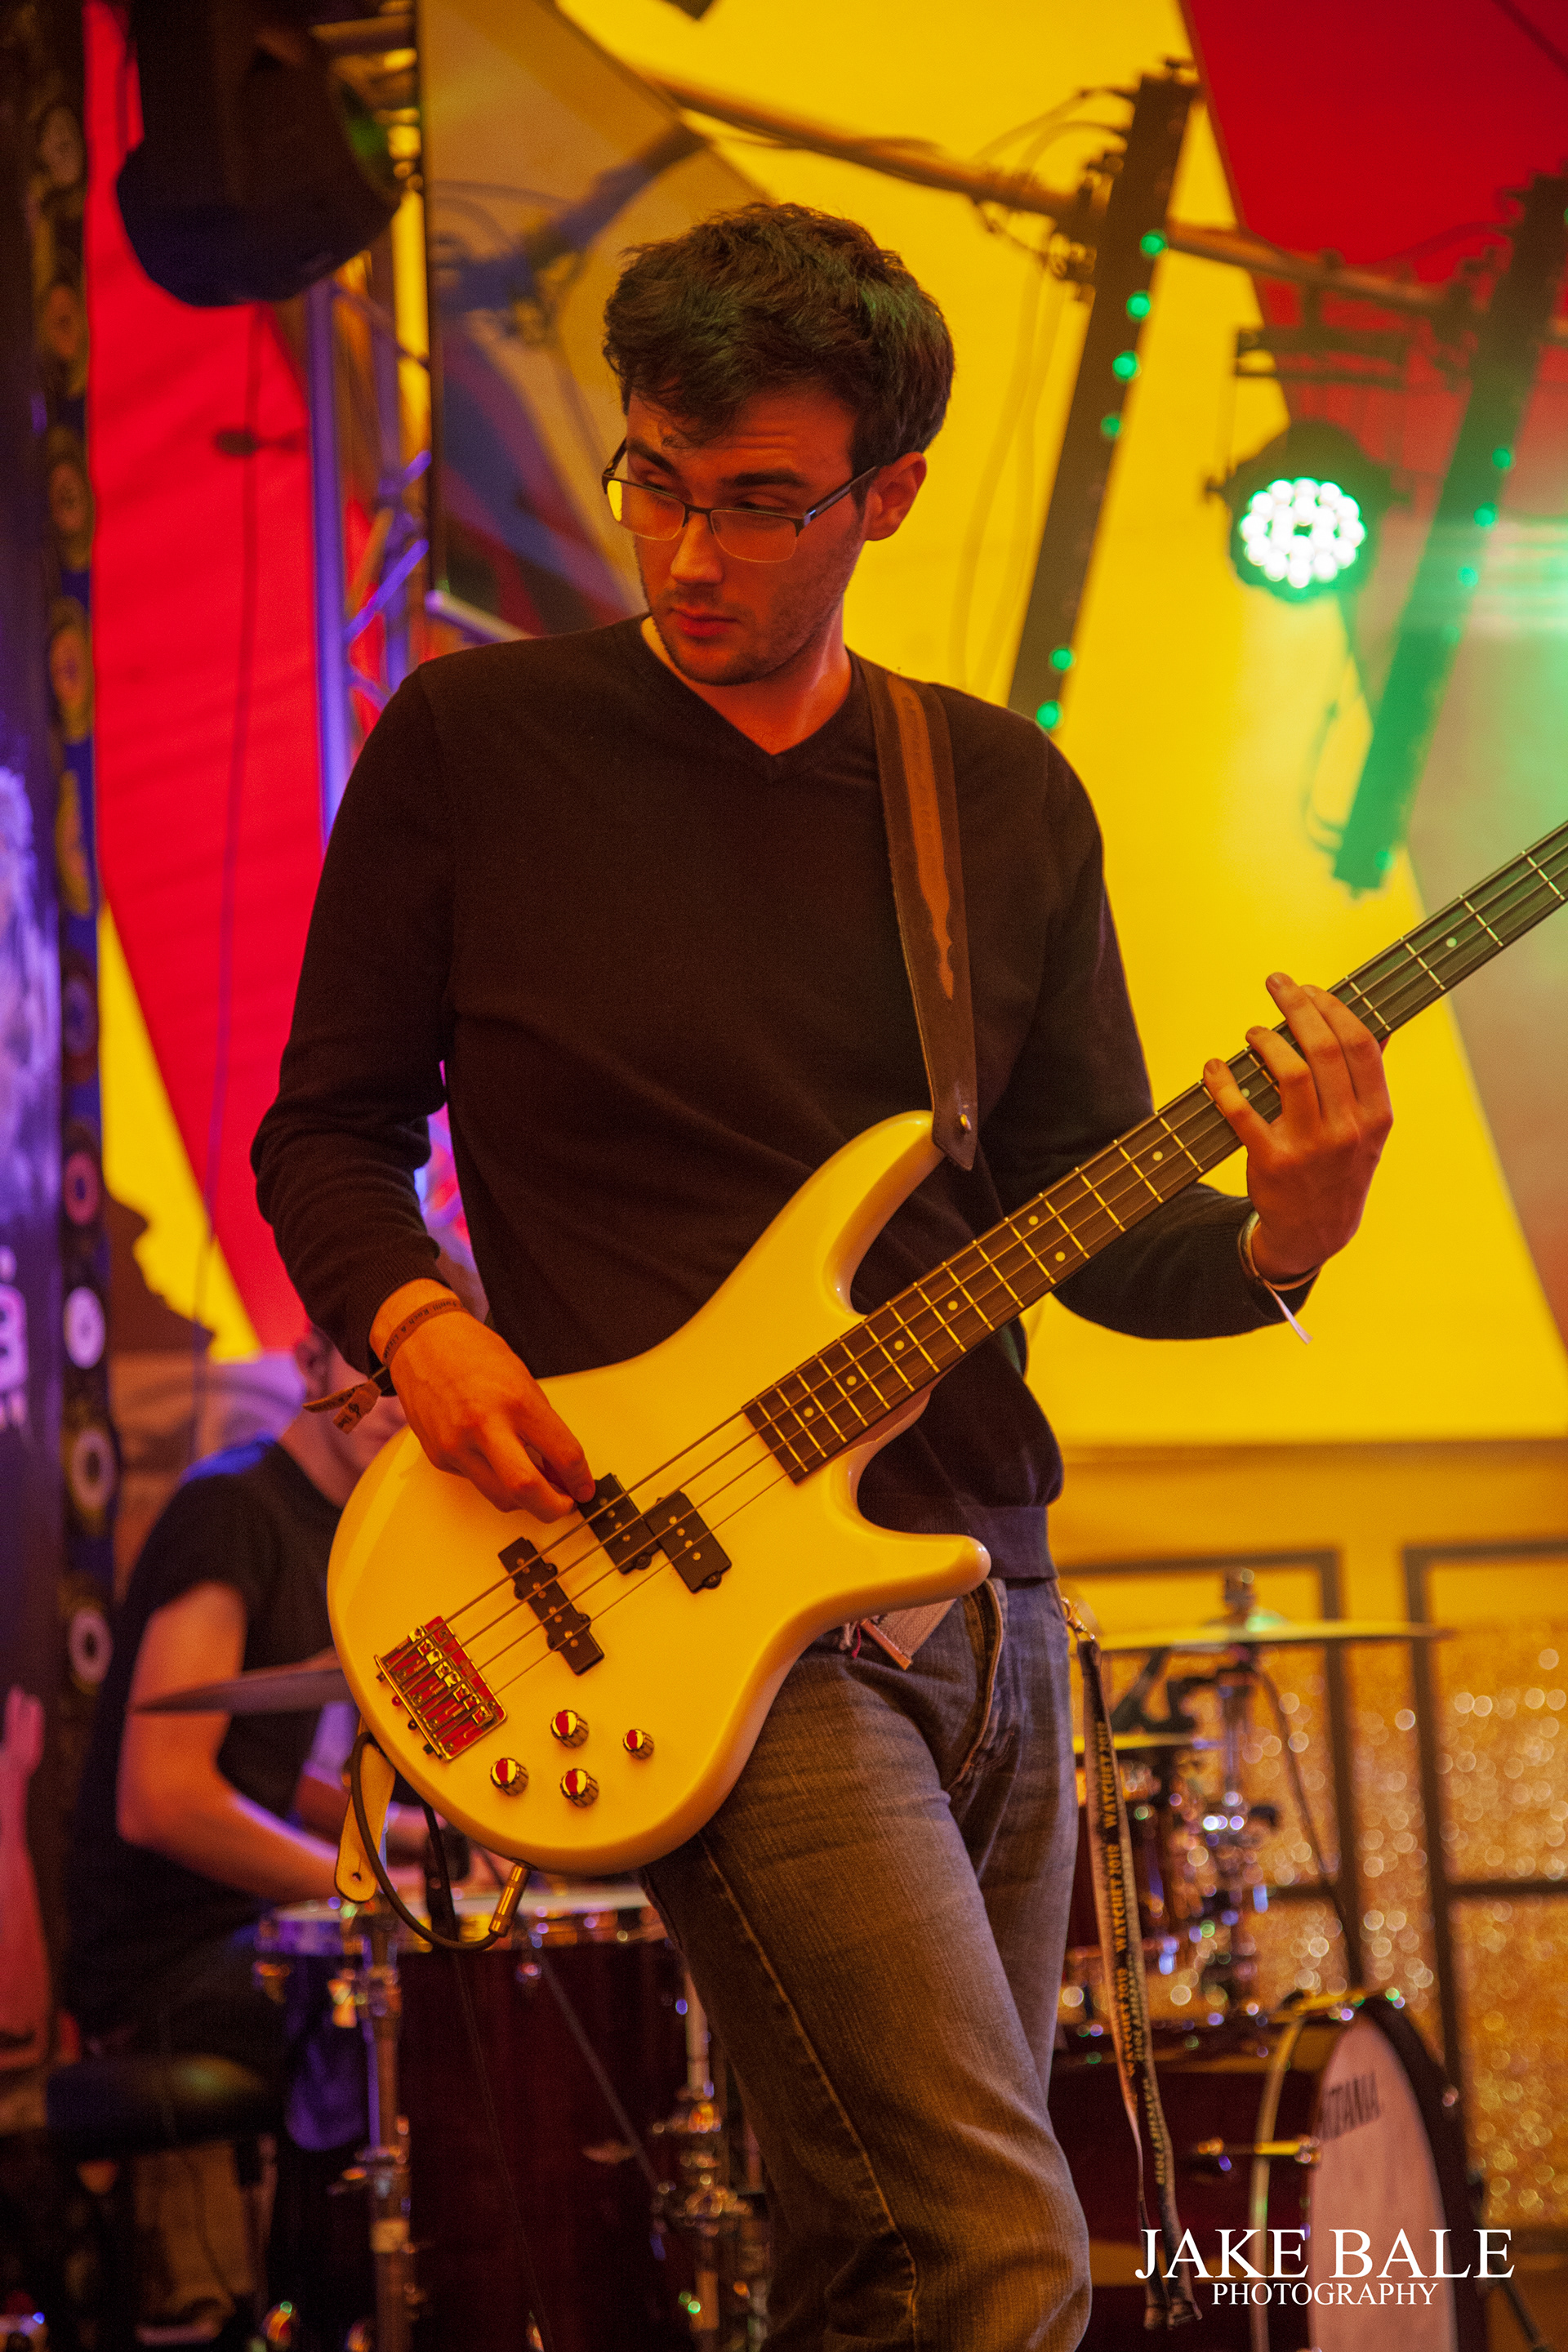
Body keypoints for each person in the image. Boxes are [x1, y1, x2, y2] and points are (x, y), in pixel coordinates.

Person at [252, 204, 1392, 2351]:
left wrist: (1290, 1228)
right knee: (998, 2248)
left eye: (759, 501)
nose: (690, 553)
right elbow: (324, 1130)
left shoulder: (999, 799)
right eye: (656, 481)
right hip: (688, 1587)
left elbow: (1086, 1227)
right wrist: (425, 1325)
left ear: (889, 493)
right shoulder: (477, 749)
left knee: (868, 2265)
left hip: (985, 1583)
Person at [65, 1325, 418, 2083]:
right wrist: (376, 1892)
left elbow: (256, 1767)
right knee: (431, 2004)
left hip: (244, 1928)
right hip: (167, 1962)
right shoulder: (232, 1508)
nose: (397, 1404)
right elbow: (163, 1800)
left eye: (420, 1382)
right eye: (378, 1371)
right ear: (309, 1361)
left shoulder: (338, 1530)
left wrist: (415, 1841)